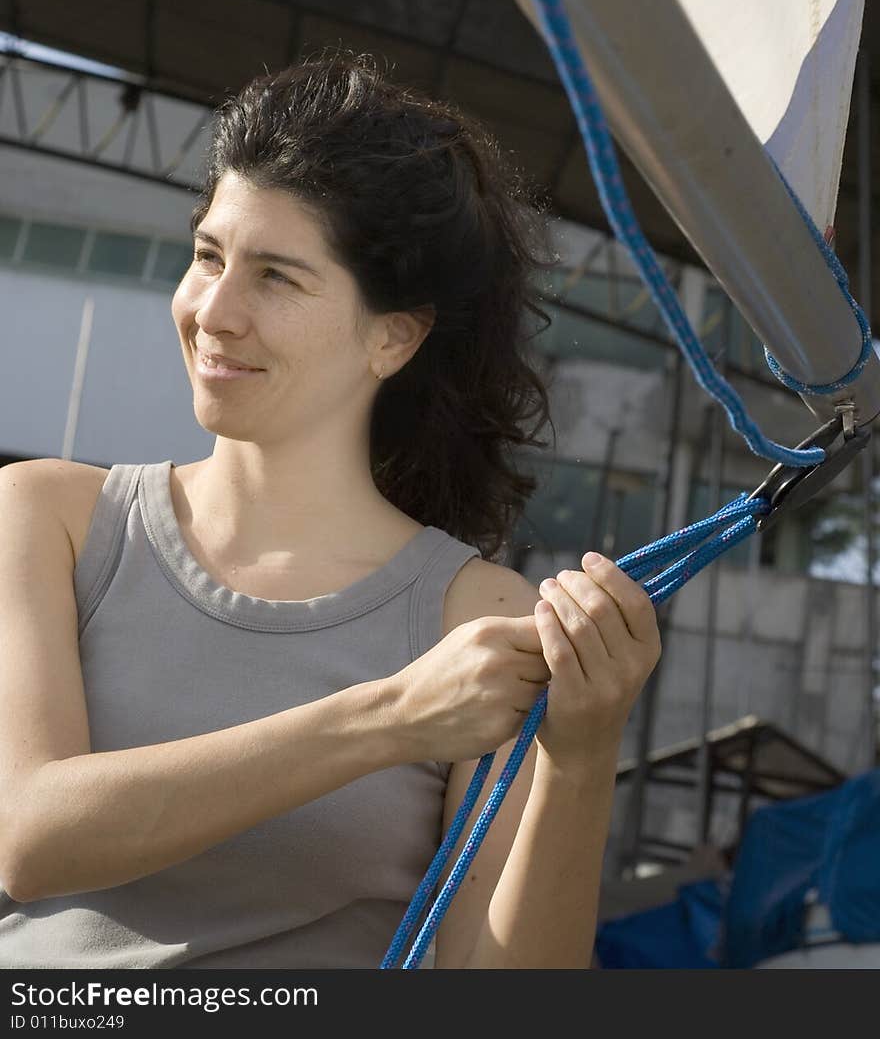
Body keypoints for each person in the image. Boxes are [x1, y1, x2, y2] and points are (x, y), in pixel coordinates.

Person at [0, 53, 661, 969]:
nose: (214, 311)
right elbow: (33, 837)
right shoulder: (46, 514)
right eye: (207, 255)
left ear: (394, 335)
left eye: (276, 276)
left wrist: (580, 763)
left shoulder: (480, 616)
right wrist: (388, 718)